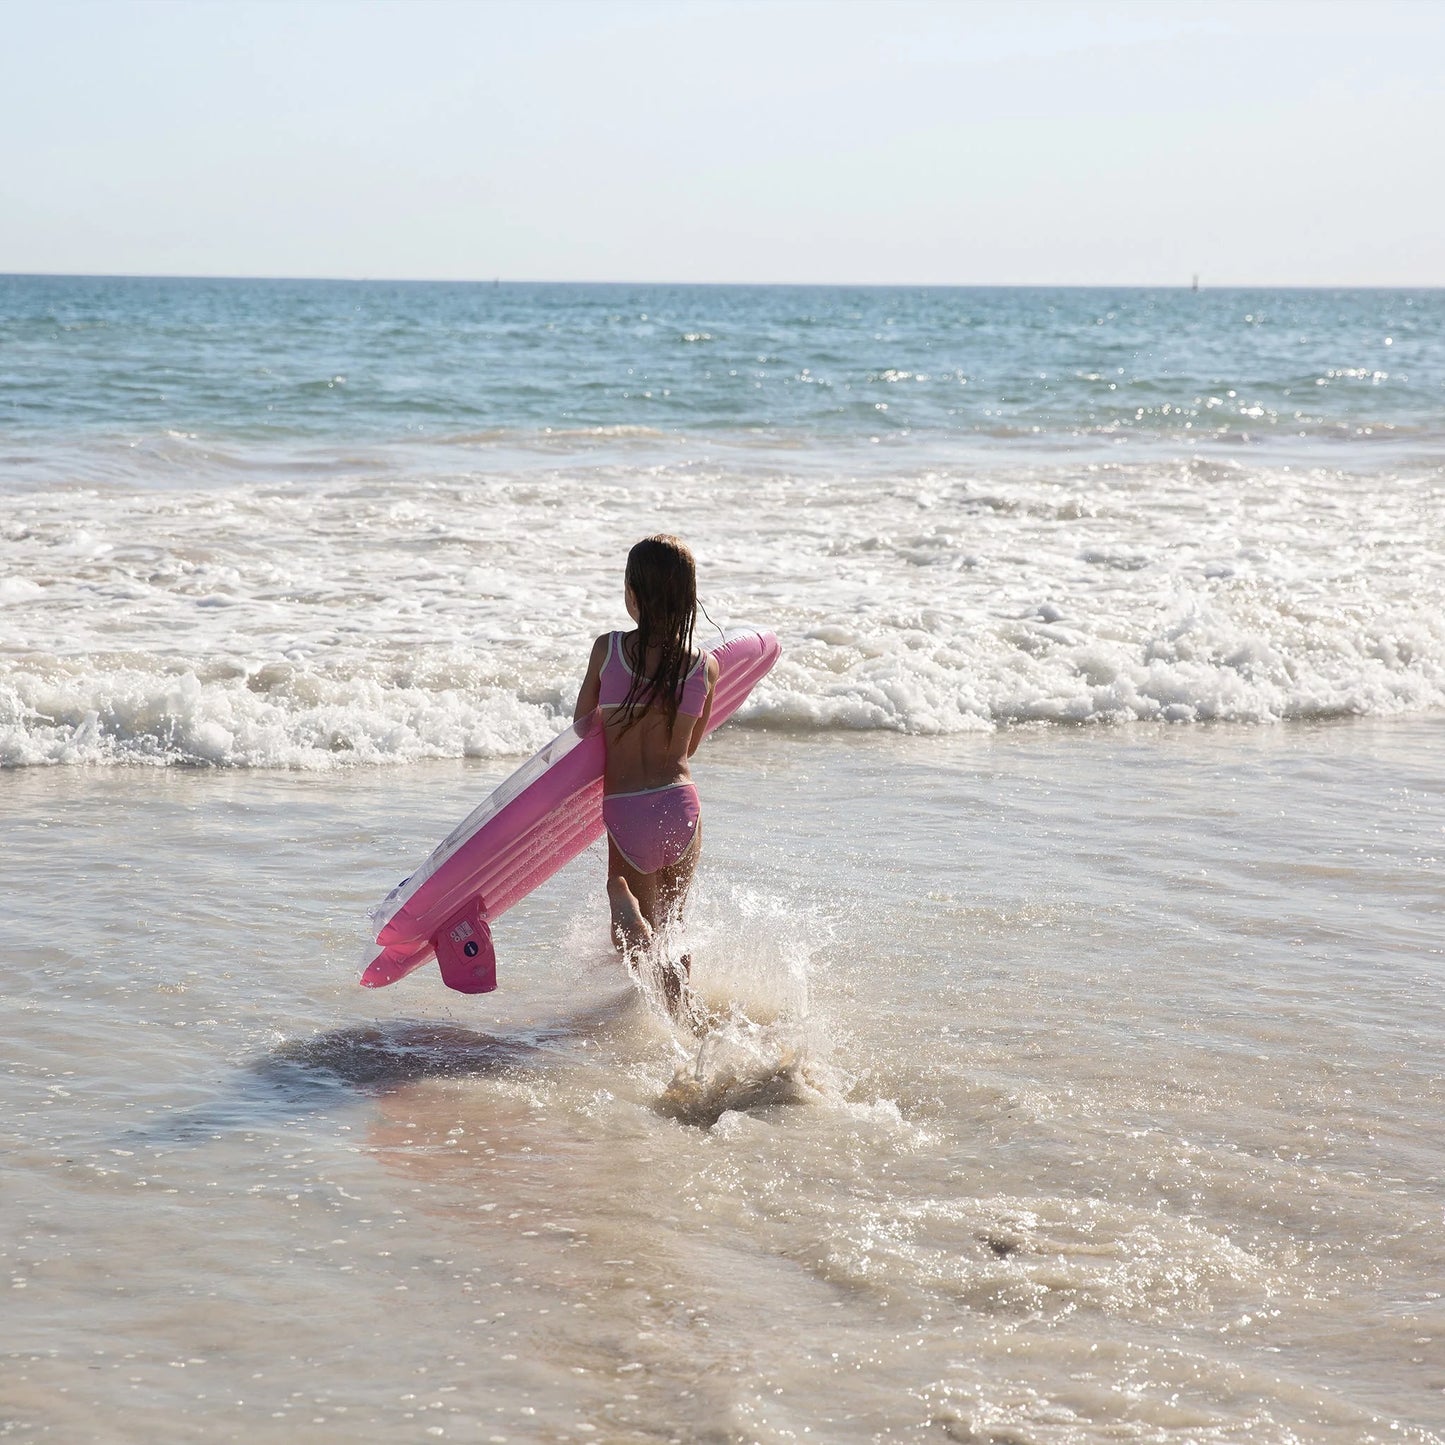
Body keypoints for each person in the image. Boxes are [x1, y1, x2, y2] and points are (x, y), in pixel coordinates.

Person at [573, 535, 719, 1016]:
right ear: (687, 598)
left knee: (629, 917)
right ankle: (686, 1020)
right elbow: (689, 746)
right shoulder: (704, 666)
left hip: (626, 804)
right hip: (681, 803)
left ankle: (625, 912)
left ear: (631, 594)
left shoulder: (608, 650)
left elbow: (581, 728)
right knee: (674, 924)